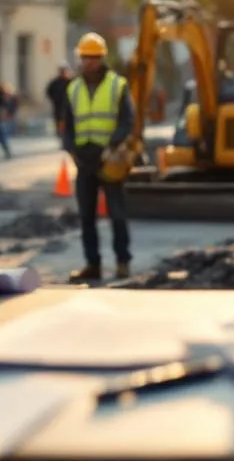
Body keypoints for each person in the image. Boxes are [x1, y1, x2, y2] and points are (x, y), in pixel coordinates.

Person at [61, 32, 134, 281]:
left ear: (101, 58)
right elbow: (67, 125)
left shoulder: (117, 84)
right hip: (84, 160)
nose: (88, 62)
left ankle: (123, 262)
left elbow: (127, 121)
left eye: (93, 58)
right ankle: (93, 265)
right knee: (86, 217)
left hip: (109, 158)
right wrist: (71, 149)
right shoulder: (73, 88)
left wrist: (114, 145)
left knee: (117, 214)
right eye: (84, 58)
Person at [45, 65, 74, 137]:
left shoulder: (70, 82)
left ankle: (66, 135)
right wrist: (54, 99)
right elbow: (49, 92)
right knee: (58, 121)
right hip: (58, 106)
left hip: (68, 106)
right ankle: (60, 135)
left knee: (68, 121)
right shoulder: (55, 82)